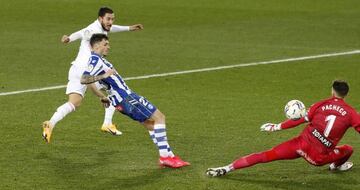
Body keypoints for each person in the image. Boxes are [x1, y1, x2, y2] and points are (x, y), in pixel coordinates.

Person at [78, 33, 190, 168]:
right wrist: (104, 75)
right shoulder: (95, 60)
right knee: (159, 117)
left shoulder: (98, 60)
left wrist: (103, 96)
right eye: (105, 44)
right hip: (126, 98)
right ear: (96, 45)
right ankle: (165, 157)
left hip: (122, 100)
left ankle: (169, 155)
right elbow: (84, 79)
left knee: (151, 124)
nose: (109, 47)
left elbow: (94, 83)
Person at [206, 80, 360, 177]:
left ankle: (226, 168)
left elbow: (299, 120)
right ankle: (336, 166)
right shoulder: (352, 113)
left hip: (299, 145)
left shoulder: (320, 104)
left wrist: (275, 127)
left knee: (264, 155)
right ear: (346, 94)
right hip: (318, 158)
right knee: (348, 149)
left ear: (332, 90)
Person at [42, 7, 143, 142]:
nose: (111, 22)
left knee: (74, 103)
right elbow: (83, 32)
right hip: (90, 69)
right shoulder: (93, 29)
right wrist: (70, 38)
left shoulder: (102, 27)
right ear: (100, 18)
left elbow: (111, 28)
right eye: (108, 19)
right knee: (114, 89)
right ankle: (107, 123)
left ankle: (51, 123)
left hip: (75, 69)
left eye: (112, 19)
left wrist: (129, 28)